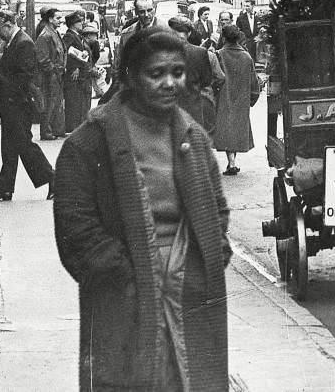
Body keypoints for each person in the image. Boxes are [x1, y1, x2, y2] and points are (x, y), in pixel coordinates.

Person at [52, 27, 231, 392]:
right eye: (156, 74)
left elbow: (218, 210)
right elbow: (75, 230)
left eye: (177, 73)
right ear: (131, 77)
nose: (169, 83)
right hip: (123, 296)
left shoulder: (193, 137)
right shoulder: (90, 142)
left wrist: (206, 260)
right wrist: (124, 273)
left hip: (189, 292)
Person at [0, 10, 55, 201]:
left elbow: (24, 75)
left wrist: (4, 83)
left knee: (23, 145)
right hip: (11, 103)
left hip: (18, 103)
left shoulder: (23, 42)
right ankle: (4, 187)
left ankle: (52, 177)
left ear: (8, 25)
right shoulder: (14, 41)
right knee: (8, 147)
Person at [211, 25, 258, 175]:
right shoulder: (246, 57)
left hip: (223, 97)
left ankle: (231, 163)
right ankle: (232, 163)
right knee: (236, 129)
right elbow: (254, 82)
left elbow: (214, 78)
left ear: (223, 38)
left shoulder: (219, 55)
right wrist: (252, 98)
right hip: (241, 99)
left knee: (227, 129)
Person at [35, 8, 67, 139]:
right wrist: (52, 70)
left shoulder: (54, 33)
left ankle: (56, 129)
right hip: (50, 75)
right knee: (49, 103)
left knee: (57, 102)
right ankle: (46, 131)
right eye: (57, 18)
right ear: (50, 19)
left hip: (57, 73)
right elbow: (42, 57)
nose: (61, 20)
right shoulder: (45, 35)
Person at [62, 10, 94, 132]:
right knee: (73, 101)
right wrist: (74, 67)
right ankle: (72, 126)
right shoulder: (69, 36)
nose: (81, 23)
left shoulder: (76, 35)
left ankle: (77, 124)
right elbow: (67, 52)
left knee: (78, 100)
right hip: (74, 73)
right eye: (79, 21)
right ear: (73, 24)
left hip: (81, 72)